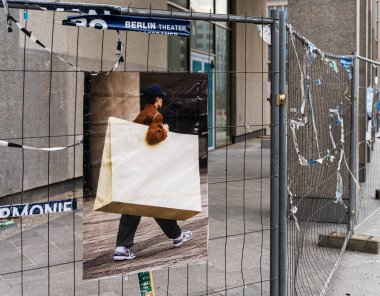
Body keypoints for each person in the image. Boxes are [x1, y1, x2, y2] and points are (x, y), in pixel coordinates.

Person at [113, 84, 192, 261]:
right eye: (161, 98)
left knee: (141, 205)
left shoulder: (140, 116)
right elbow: (152, 137)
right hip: (147, 169)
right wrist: (165, 131)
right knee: (148, 205)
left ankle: (175, 236)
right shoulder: (156, 115)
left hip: (138, 168)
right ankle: (123, 247)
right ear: (156, 99)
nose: (162, 100)